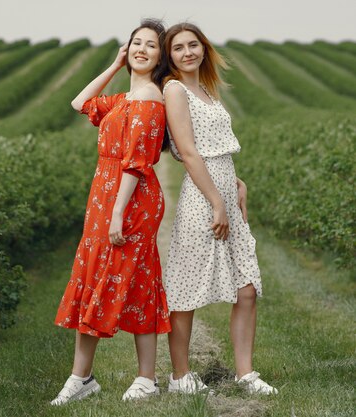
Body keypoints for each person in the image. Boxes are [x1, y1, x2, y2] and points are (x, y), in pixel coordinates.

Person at [50, 19, 171, 406]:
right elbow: (79, 103)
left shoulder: (151, 100)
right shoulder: (123, 100)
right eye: (136, 43)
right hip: (104, 197)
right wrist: (116, 65)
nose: (142, 50)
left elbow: (136, 164)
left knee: (128, 277)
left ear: (160, 56)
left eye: (151, 45)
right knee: (101, 275)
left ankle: (140, 378)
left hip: (129, 200)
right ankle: (85, 378)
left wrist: (118, 213)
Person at [161, 22, 277, 395]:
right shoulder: (175, 90)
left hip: (226, 189)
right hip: (202, 197)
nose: (188, 52)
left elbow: (217, 147)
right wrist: (216, 201)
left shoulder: (208, 90)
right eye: (178, 48)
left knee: (247, 289)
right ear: (171, 57)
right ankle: (180, 376)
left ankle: (246, 374)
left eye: (193, 45)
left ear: (204, 48)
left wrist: (235, 184)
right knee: (186, 289)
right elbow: (190, 153)